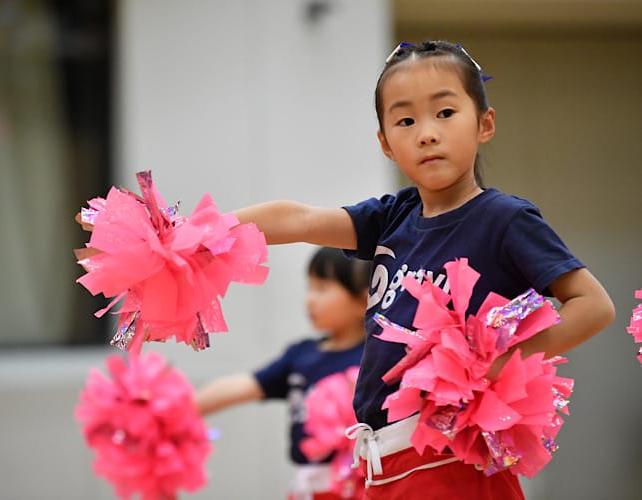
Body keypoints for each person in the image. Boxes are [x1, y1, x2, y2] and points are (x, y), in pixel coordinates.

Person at [228, 41, 616, 499]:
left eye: (445, 113)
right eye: (405, 120)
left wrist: (499, 363)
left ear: (485, 124)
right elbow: (300, 220)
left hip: (450, 462)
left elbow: (593, 305)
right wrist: (203, 232)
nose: (426, 133)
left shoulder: (504, 219)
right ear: (385, 144)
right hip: (382, 467)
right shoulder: (393, 217)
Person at [194, 246, 371, 500]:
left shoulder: (376, 357)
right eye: (309, 287)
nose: (310, 299)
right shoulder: (301, 355)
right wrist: (173, 410)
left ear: (364, 300)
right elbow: (244, 386)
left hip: (361, 486)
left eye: (322, 288)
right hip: (308, 488)